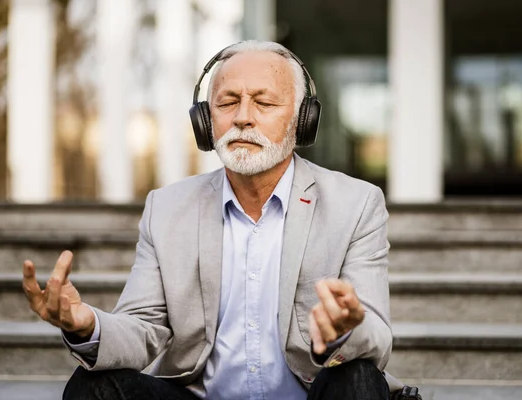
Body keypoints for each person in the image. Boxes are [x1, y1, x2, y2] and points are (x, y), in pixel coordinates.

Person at [22, 40, 392, 400]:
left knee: (358, 377)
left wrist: (346, 331)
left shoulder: (356, 204)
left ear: (302, 120)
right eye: (227, 102)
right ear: (205, 120)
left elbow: (377, 337)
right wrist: (88, 325)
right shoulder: (166, 208)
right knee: (94, 387)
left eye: (263, 102)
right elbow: (143, 329)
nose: (243, 117)